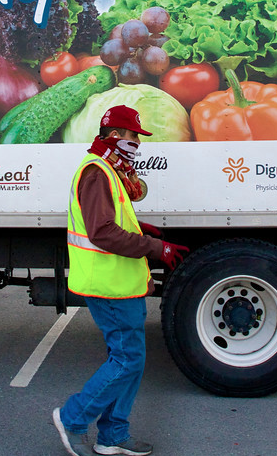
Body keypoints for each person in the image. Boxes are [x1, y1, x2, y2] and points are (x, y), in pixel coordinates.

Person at [53, 105, 189, 456]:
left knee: (131, 358)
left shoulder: (108, 169)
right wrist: (155, 247)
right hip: (108, 284)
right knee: (127, 359)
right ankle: (72, 419)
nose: (136, 145)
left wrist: (143, 231)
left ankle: (113, 434)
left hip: (120, 283)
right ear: (115, 136)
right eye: (132, 137)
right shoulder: (97, 171)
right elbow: (102, 233)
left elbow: (113, 221)